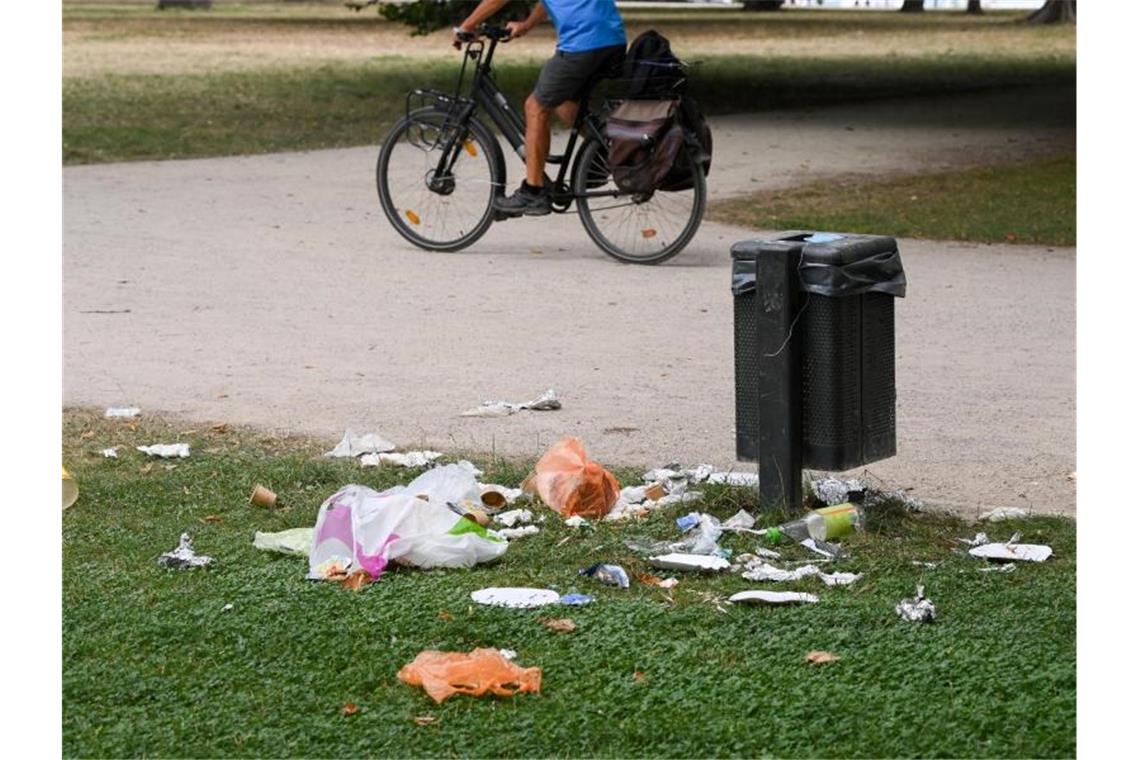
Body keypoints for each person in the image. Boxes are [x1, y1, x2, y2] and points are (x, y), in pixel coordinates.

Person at [453, 0, 626, 217]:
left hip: (583, 43)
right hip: (612, 39)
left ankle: (533, 191)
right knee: (564, 100)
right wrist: (526, 25)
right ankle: (604, 155)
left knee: (536, 107)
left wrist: (467, 26)